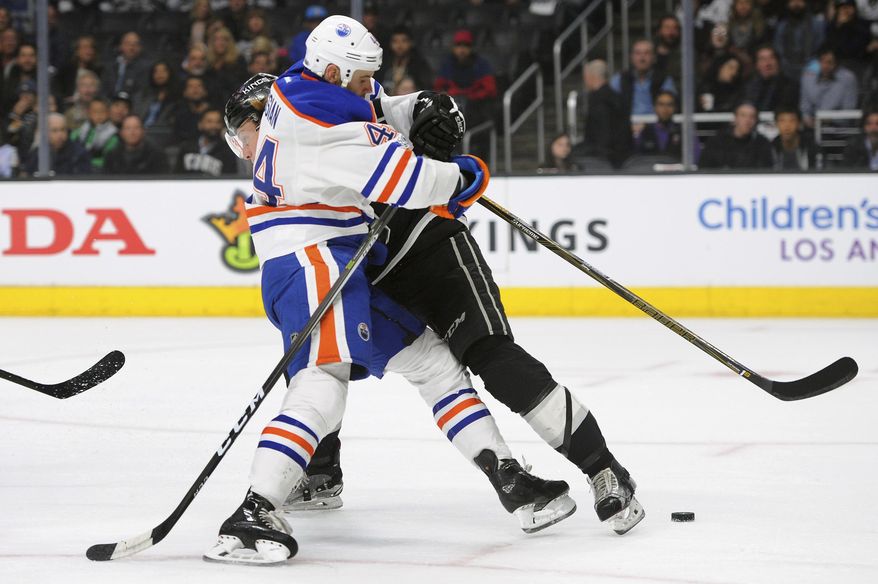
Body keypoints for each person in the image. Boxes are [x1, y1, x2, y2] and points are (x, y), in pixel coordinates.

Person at [208, 17, 575, 565]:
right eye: (361, 77)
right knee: (322, 381)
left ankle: (511, 483)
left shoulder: (304, 86)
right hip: (312, 262)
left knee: (434, 363)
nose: (369, 85)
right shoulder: (322, 122)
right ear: (334, 71)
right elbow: (408, 183)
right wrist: (466, 175)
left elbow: (376, 107)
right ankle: (255, 510)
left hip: (336, 261)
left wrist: (419, 105)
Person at [283, 48, 645, 544]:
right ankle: (321, 472)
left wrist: (436, 111)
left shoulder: (345, 102)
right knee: (322, 360)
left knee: (493, 359)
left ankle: (603, 468)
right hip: (375, 273)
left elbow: (402, 111)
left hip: (434, 250)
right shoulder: (292, 139)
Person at [578, 59, 632, 168]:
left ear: (590, 76)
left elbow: (602, 132)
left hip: (604, 160)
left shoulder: (598, 100)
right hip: (622, 156)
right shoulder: (618, 98)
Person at [611, 39, 677, 116]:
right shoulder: (619, 79)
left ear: (654, 57)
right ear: (631, 57)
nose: (642, 58)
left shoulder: (665, 80)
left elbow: (671, 107)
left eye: (647, 53)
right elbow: (610, 106)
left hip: (656, 125)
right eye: (638, 53)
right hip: (626, 124)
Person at [699, 101, 774, 168]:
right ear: (735, 118)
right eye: (743, 115)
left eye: (752, 117)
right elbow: (704, 168)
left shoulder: (762, 144)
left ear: (756, 121)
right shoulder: (716, 142)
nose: (747, 121)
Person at [799, 46, 858, 127]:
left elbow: (849, 110)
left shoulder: (848, 78)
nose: (825, 66)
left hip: (836, 126)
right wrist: (807, 119)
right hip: (812, 125)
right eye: (822, 61)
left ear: (837, 63)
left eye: (829, 62)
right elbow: (805, 107)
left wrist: (828, 119)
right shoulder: (808, 76)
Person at [635, 90, 699, 161]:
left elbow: (695, 160)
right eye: (661, 104)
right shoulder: (645, 132)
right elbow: (636, 160)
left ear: (675, 108)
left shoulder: (685, 132)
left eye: (669, 105)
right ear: (654, 107)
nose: (665, 109)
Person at [23, 112, 91, 176]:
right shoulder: (37, 153)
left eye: (63, 129)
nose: (60, 135)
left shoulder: (78, 154)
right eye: (54, 130)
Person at [175, 108, 238, 176]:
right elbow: (175, 175)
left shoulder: (228, 151)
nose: (214, 126)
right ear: (200, 125)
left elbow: (230, 179)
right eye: (209, 121)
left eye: (218, 122)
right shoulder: (186, 147)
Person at [103, 114, 169, 175]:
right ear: (121, 133)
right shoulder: (112, 156)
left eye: (136, 128)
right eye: (128, 128)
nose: (132, 132)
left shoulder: (157, 155)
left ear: (143, 131)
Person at [774, 0, 824, 79]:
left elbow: (820, 46)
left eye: (800, 1)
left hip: (811, 69)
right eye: (792, 1)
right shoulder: (782, 25)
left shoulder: (817, 24)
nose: (796, 4)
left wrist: (811, 65)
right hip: (786, 70)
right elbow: (779, 47)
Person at [376, 26, 433, 96]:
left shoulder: (419, 65)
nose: (399, 46)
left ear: (411, 43)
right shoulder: (383, 63)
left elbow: (426, 89)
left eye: (404, 41)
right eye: (395, 41)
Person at [743, 45, 800, 112]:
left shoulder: (790, 86)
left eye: (771, 58)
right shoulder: (747, 85)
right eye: (762, 59)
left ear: (778, 62)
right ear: (756, 65)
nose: (767, 63)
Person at [71, 97, 120, 172]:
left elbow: (108, 161)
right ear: (88, 113)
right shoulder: (78, 132)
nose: (98, 115)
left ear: (108, 113)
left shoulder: (113, 136)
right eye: (94, 111)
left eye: (102, 111)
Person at [102, 31, 150, 100]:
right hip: (109, 105)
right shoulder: (110, 65)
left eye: (135, 44)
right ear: (120, 46)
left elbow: (140, 93)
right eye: (128, 44)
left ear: (140, 48)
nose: (131, 48)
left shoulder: (145, 68)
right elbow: (103, 90)